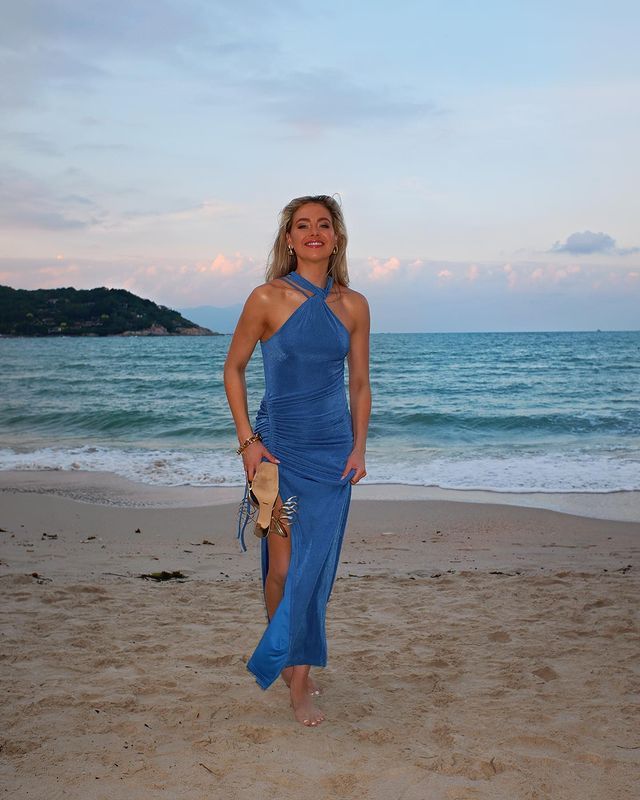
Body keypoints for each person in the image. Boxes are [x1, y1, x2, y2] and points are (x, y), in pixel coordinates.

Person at [223, 194, 371, 727]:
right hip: (277, 453)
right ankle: (286, 656)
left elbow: (359, 383)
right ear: (288, 238)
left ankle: (300, 681)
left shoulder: (354, 305)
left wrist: (359, 446)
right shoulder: (266, 297)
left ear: (336, 237)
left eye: (323, 225)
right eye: (303, 225)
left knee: (314, 571)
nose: (314, 233)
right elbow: (233, 369)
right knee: (283, 568)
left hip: (332, 459)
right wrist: (248, 442)